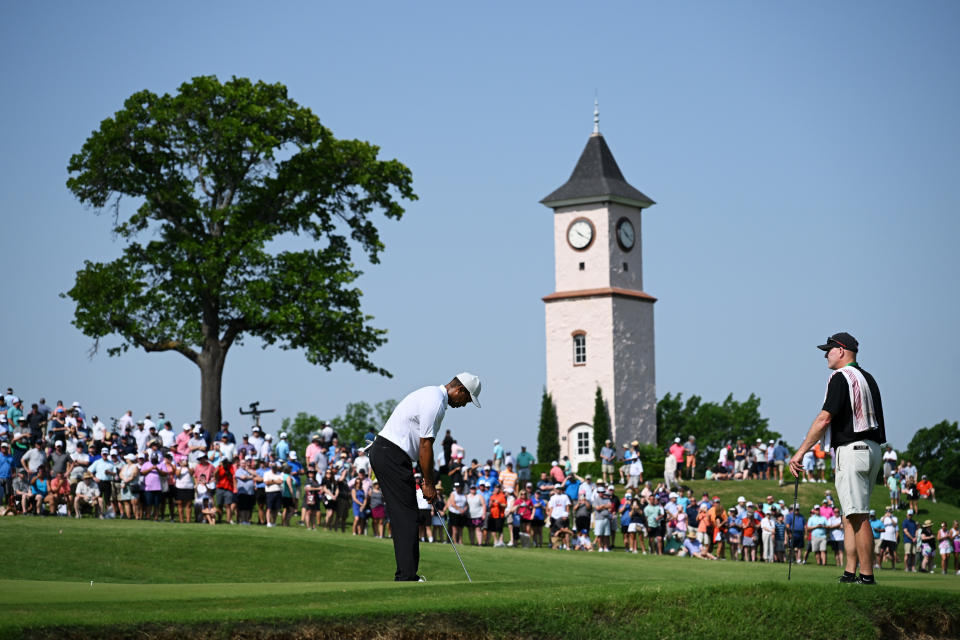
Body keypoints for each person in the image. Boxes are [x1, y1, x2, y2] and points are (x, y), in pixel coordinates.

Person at [789, 332, 885, 585]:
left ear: (841, 350)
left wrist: (800, 452)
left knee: (858, 514)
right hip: (872, 449)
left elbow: (825, 418)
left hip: (852, 450)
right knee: (849, 513)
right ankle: (849, 572)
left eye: (829, 350)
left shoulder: (840, 377)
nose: (825, 355)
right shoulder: (868, 377)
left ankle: (866, 577)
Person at [368, 373, 481, 582]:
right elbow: (425, 445)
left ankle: (406, 574)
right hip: (390, 454)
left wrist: (425, 479)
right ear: (460, 390)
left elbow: (422, 449)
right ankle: (407, 577)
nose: (464, 405)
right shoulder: (435, 402)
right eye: (466, 400)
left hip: (391, 454)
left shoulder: (433, 396)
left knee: (407, 515)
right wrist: (429, 484)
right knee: (407, 516)